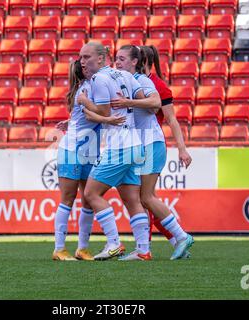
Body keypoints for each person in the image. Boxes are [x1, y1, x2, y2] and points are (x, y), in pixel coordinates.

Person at [112, 45, 194, 260]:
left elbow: (162, 111)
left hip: (151, 143)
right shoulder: (130, 81)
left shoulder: (147, 82)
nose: (117, 63)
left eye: (122, 59)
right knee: (143, 198)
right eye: (116, 59)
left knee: (145, 197)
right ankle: (154, 246)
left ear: (137, 61)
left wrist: (182, 149)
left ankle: (179, 237)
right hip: (142, 145)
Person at [77, 42, 151, 261]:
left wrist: (84, 101)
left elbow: (103, 110)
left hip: (119, 145)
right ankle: (143, 249)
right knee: (131, 199)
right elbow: (139, 98)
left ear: (101, 58)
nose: (82, 61)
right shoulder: (122, 74)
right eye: (81, 57)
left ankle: (114, 243)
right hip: (134, 143)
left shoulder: (99, 78)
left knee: (91, 194)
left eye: (87, 57)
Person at [53, 60, 126, 261]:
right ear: (84, 71)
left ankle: (82, 248)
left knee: (87, 199)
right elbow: (91, 115)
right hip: (72, 150)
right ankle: (59, 249)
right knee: (67, 199)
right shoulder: (85, 90)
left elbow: (85, 115)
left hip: (88, 151)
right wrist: (110, 120)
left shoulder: (89, 87)